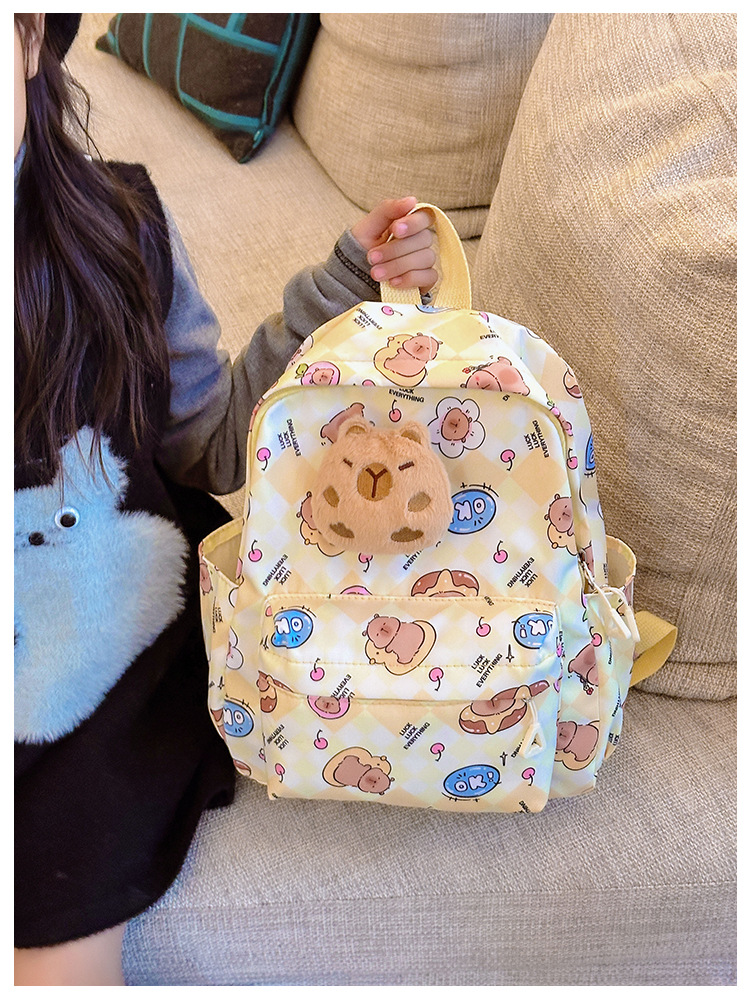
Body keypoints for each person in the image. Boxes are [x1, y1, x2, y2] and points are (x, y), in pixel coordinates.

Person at [14, 13, 438, 986]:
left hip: (91, 658)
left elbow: (205, 445)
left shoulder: (122, 236)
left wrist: (344, 286)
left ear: (31, 39)